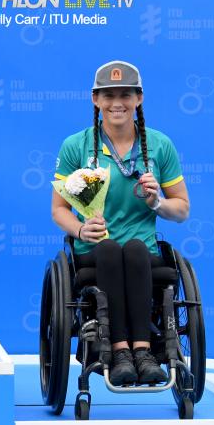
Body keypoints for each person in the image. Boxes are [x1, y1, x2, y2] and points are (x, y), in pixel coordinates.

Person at [51, 61, 189, 386]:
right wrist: (81, 229)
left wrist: (158, 203)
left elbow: (182, 209)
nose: (117, 102)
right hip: (94, 248)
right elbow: (59, 210)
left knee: (137, 248)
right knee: (111, 248)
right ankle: (118, 351)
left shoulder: (159, 145)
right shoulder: (76, 146)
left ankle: (142, 351)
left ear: (138, 98)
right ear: (95, 99)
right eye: (108, 94)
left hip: (143, 249)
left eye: (125, 94)